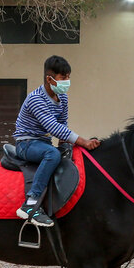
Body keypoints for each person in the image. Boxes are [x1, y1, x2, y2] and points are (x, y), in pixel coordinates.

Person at [13, 55, 100, 227]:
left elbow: (62, 123)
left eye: (68, 77)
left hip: (43, 143)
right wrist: (82, 141)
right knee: (52, 155)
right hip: (27, 143)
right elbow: (53, 127)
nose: (67, 81)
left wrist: (66, 143)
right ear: (49, 78)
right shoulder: (36, 99)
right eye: (63, 77)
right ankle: (30, 204)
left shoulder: (63, 98)